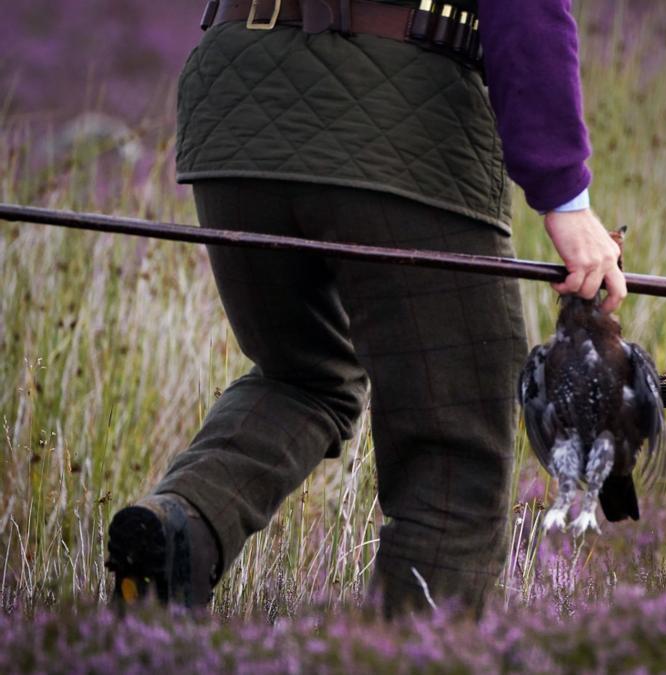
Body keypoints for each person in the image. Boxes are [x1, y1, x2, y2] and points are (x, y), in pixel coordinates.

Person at [104, 0, 625, 616]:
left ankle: (183, 523)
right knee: (453, 442)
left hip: (232, 108)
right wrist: (565, 197)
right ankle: (406, 656)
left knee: (303, 374)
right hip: (402, 126)